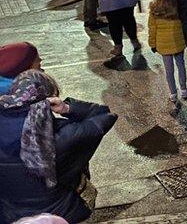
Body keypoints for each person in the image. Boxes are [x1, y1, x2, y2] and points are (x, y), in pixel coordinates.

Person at [0, 70, 117, 223]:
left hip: (11, 216)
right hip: (61, 214)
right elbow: (104, 115)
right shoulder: (60, 136)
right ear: (48, 101)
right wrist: (66, 108)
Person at [148, 0, 187, 103]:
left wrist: (152, 44)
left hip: (163, 44)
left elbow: (152, 28)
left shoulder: (155, 7)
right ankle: (184, 89)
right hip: (178, 42)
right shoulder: (179, 4)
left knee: (169, 70)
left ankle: (172, 93)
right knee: (181, 65)